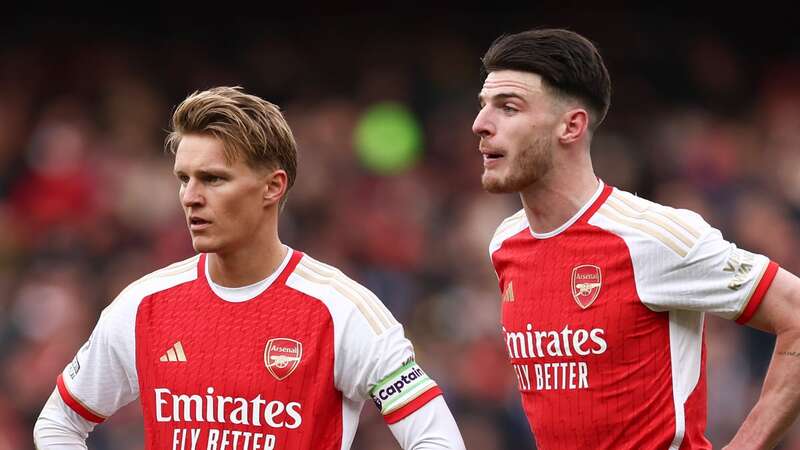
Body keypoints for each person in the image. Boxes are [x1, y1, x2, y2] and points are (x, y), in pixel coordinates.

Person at [34, 86, 466, 450]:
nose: (190, 197)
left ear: (272, 187)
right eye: (184, 178)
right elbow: (58, 423)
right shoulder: (143, 305)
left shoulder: (341, 311)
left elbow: (437, 438)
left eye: (213, 179)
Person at [474, 28, 800, 449]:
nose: (480, 124)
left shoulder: (652, 237)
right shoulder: (505, 242)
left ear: (571, 126)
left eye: (508, 107)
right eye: (484, 107)